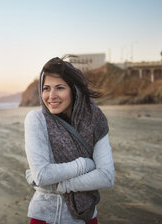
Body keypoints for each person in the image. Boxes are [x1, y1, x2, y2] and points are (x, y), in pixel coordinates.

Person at [24, 55, 114, 224]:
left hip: (86, 216)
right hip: (47, 216)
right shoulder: (37, 120)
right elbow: (43, 175)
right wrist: (86, 165)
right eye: (46, 88)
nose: (51, 96)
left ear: (74, 89)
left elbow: (106, 176)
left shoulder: (95, 119)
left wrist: (61, 186)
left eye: (59, 87)